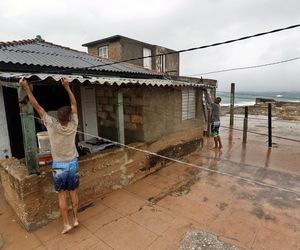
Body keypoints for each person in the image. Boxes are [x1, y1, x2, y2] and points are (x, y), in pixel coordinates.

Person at [20, 77, 79, 234]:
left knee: (62, 195)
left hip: (59, 165)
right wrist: (67, 87)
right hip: (72, 163)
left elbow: (37, 107)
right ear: (69, 117)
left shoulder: (52, 125)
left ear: (58, 117)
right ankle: (76, 219)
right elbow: (74, 105)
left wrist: (26, 88)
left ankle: (67, 224)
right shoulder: (74, 124)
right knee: (73, 192)